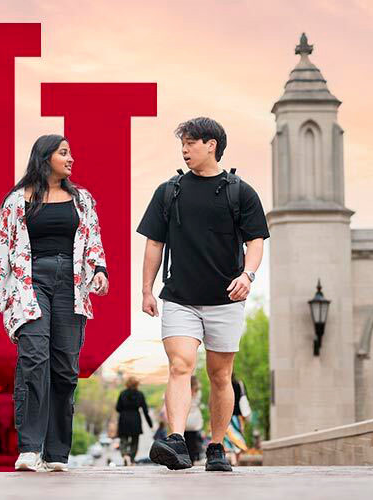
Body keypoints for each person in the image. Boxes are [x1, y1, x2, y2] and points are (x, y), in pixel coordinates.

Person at [138, 117, 269, 471]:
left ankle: (215, 447)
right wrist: (147, 290)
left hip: (225, 299)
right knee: (180, 366)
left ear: (211, 145)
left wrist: (248, 275)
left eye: (191, 142)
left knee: (220, 375)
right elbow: (154, 242)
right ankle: (177, 441)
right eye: (183, 142)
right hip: (179, 296)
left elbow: (255, 241)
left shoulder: (239, 192)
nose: (185, 149)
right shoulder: (169, 191)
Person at [0, 134, 109, 472]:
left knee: (65, 368)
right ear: (45, 156)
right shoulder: (15, 202)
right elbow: (2, 250)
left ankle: (55, 454)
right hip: (29, 283)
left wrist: (99, 271)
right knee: (33, 359)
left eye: (71, 153)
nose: (71, 158)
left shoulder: (82, 200)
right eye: (64, 152)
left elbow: (93, 239)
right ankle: (29, 449)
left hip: (71, 284)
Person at [115, 376, 153, 465]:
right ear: (137, 384)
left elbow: (118, 408)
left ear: (127, 384)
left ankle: (125, 455)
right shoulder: (140, 394)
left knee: (123, 439)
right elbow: (145, 410)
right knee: (135, 441)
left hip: (124, 419)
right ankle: (131, 459)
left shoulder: (122, 394)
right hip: (135, 419)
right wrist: (150, 424)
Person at [222, 374, 250, 465]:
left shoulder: (222, 384)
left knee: (230, 439)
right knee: (237, 438)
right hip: (237, 417)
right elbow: (244, 399)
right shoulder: (239, 384)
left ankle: (234, 461)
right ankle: (235, 461)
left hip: (226, 416)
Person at [184, 375, 203, 463]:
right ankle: (192, 460)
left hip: (185, 420)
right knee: (194, 443)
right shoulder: (198, 393)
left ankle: (186, 459)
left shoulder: (183, 392)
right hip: (195, 421)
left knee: (185, 442)